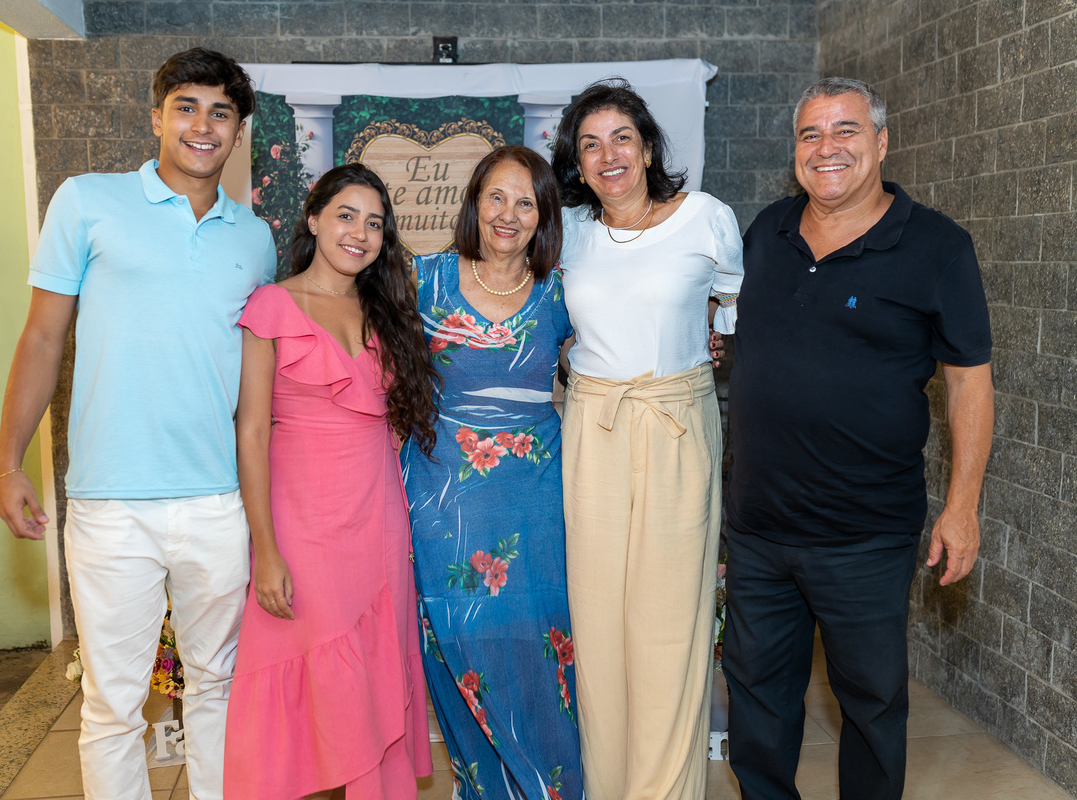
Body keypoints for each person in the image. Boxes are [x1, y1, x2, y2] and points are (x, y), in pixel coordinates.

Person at [0, 49, 276, 800]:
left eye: (221, 112)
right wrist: (8, 461)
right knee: (113, 706)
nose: (203, 125)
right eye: (186, 107)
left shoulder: (254, 238)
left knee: (217, 687)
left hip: (216, 502)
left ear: (238, 131)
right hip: (110, 504)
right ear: (156, 117)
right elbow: (42, 339)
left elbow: (260, 385)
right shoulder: (86, 201)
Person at [723, 77, 994, 800]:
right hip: (758, 528)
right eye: (810, 134)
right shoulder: (767, 231)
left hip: (865, 535)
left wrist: (962, 507)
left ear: (881, 141)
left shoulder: (937, 246)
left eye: (845, 130)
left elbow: (969, 382)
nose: (827, 148)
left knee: (872, 706)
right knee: (755, 699)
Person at [550, 79, 744, 800]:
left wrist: (712, 338)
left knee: (669, 626)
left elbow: (731, 310)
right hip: (592, 426)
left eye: (621, 138)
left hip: (674, 423)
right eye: (590, 145)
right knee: (598, 623)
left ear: (649, 147)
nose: (609, 156)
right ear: (577, 163)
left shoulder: (705, 218)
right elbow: (553, 324)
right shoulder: (567, 232)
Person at [224, 163, 438, 799]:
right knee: (314, 671)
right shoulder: (272, 304)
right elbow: (251, 433)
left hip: (378, 519)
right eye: (346, 216)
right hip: (303, 522)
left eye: (374, 223)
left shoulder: (388, 311)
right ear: (313, 219)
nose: (359, 234)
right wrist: (266, 550)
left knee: (372, 675)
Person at [401, 145, 584, 799]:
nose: (509, 214)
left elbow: (609, 361)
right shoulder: (424, 279)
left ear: (544, 215)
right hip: (440, 500)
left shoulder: (563, 292)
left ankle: (552, 788)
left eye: (525, 202)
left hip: (535, 502)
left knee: (538, 648)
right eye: (496, 197)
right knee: (461, 643)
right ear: (474, 203)